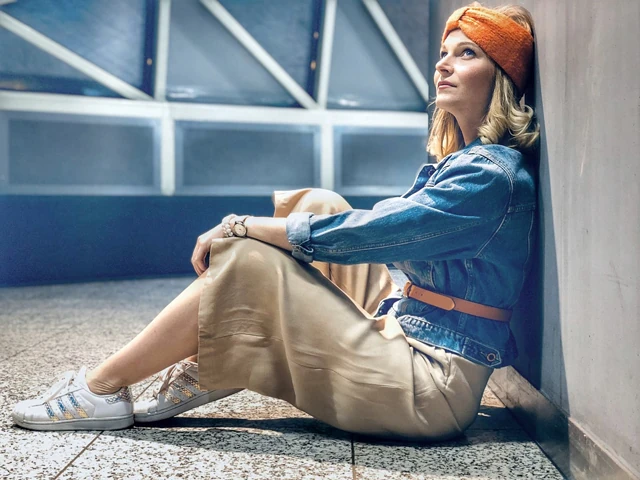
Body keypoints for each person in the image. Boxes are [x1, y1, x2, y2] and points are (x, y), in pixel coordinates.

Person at [12, 3, 539, 441]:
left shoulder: (489, 176)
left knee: (247, 256)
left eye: (466, 54)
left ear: (501, 76)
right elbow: (372, 230)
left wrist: (242, 224)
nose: (443, 65)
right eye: (444, 53)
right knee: (321, 203)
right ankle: (227, 349)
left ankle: (102, 389)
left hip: (429, 388)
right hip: (408, 326)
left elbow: (375, 233)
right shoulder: (466, 163)